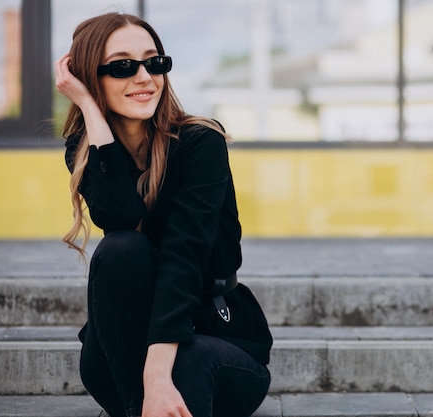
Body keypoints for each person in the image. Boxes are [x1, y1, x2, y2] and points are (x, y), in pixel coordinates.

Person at [54, 12, 272, 417]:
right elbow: (119, 217)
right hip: (121, 352)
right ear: (89, 77)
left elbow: (184, 255)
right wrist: (88, 107)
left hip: (213, 341)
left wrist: (156, 376)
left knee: (185, 364)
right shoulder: (85, 151)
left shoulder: (201, 143)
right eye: (122, 66)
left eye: (154, 62)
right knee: (120, 249)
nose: (144, 77)